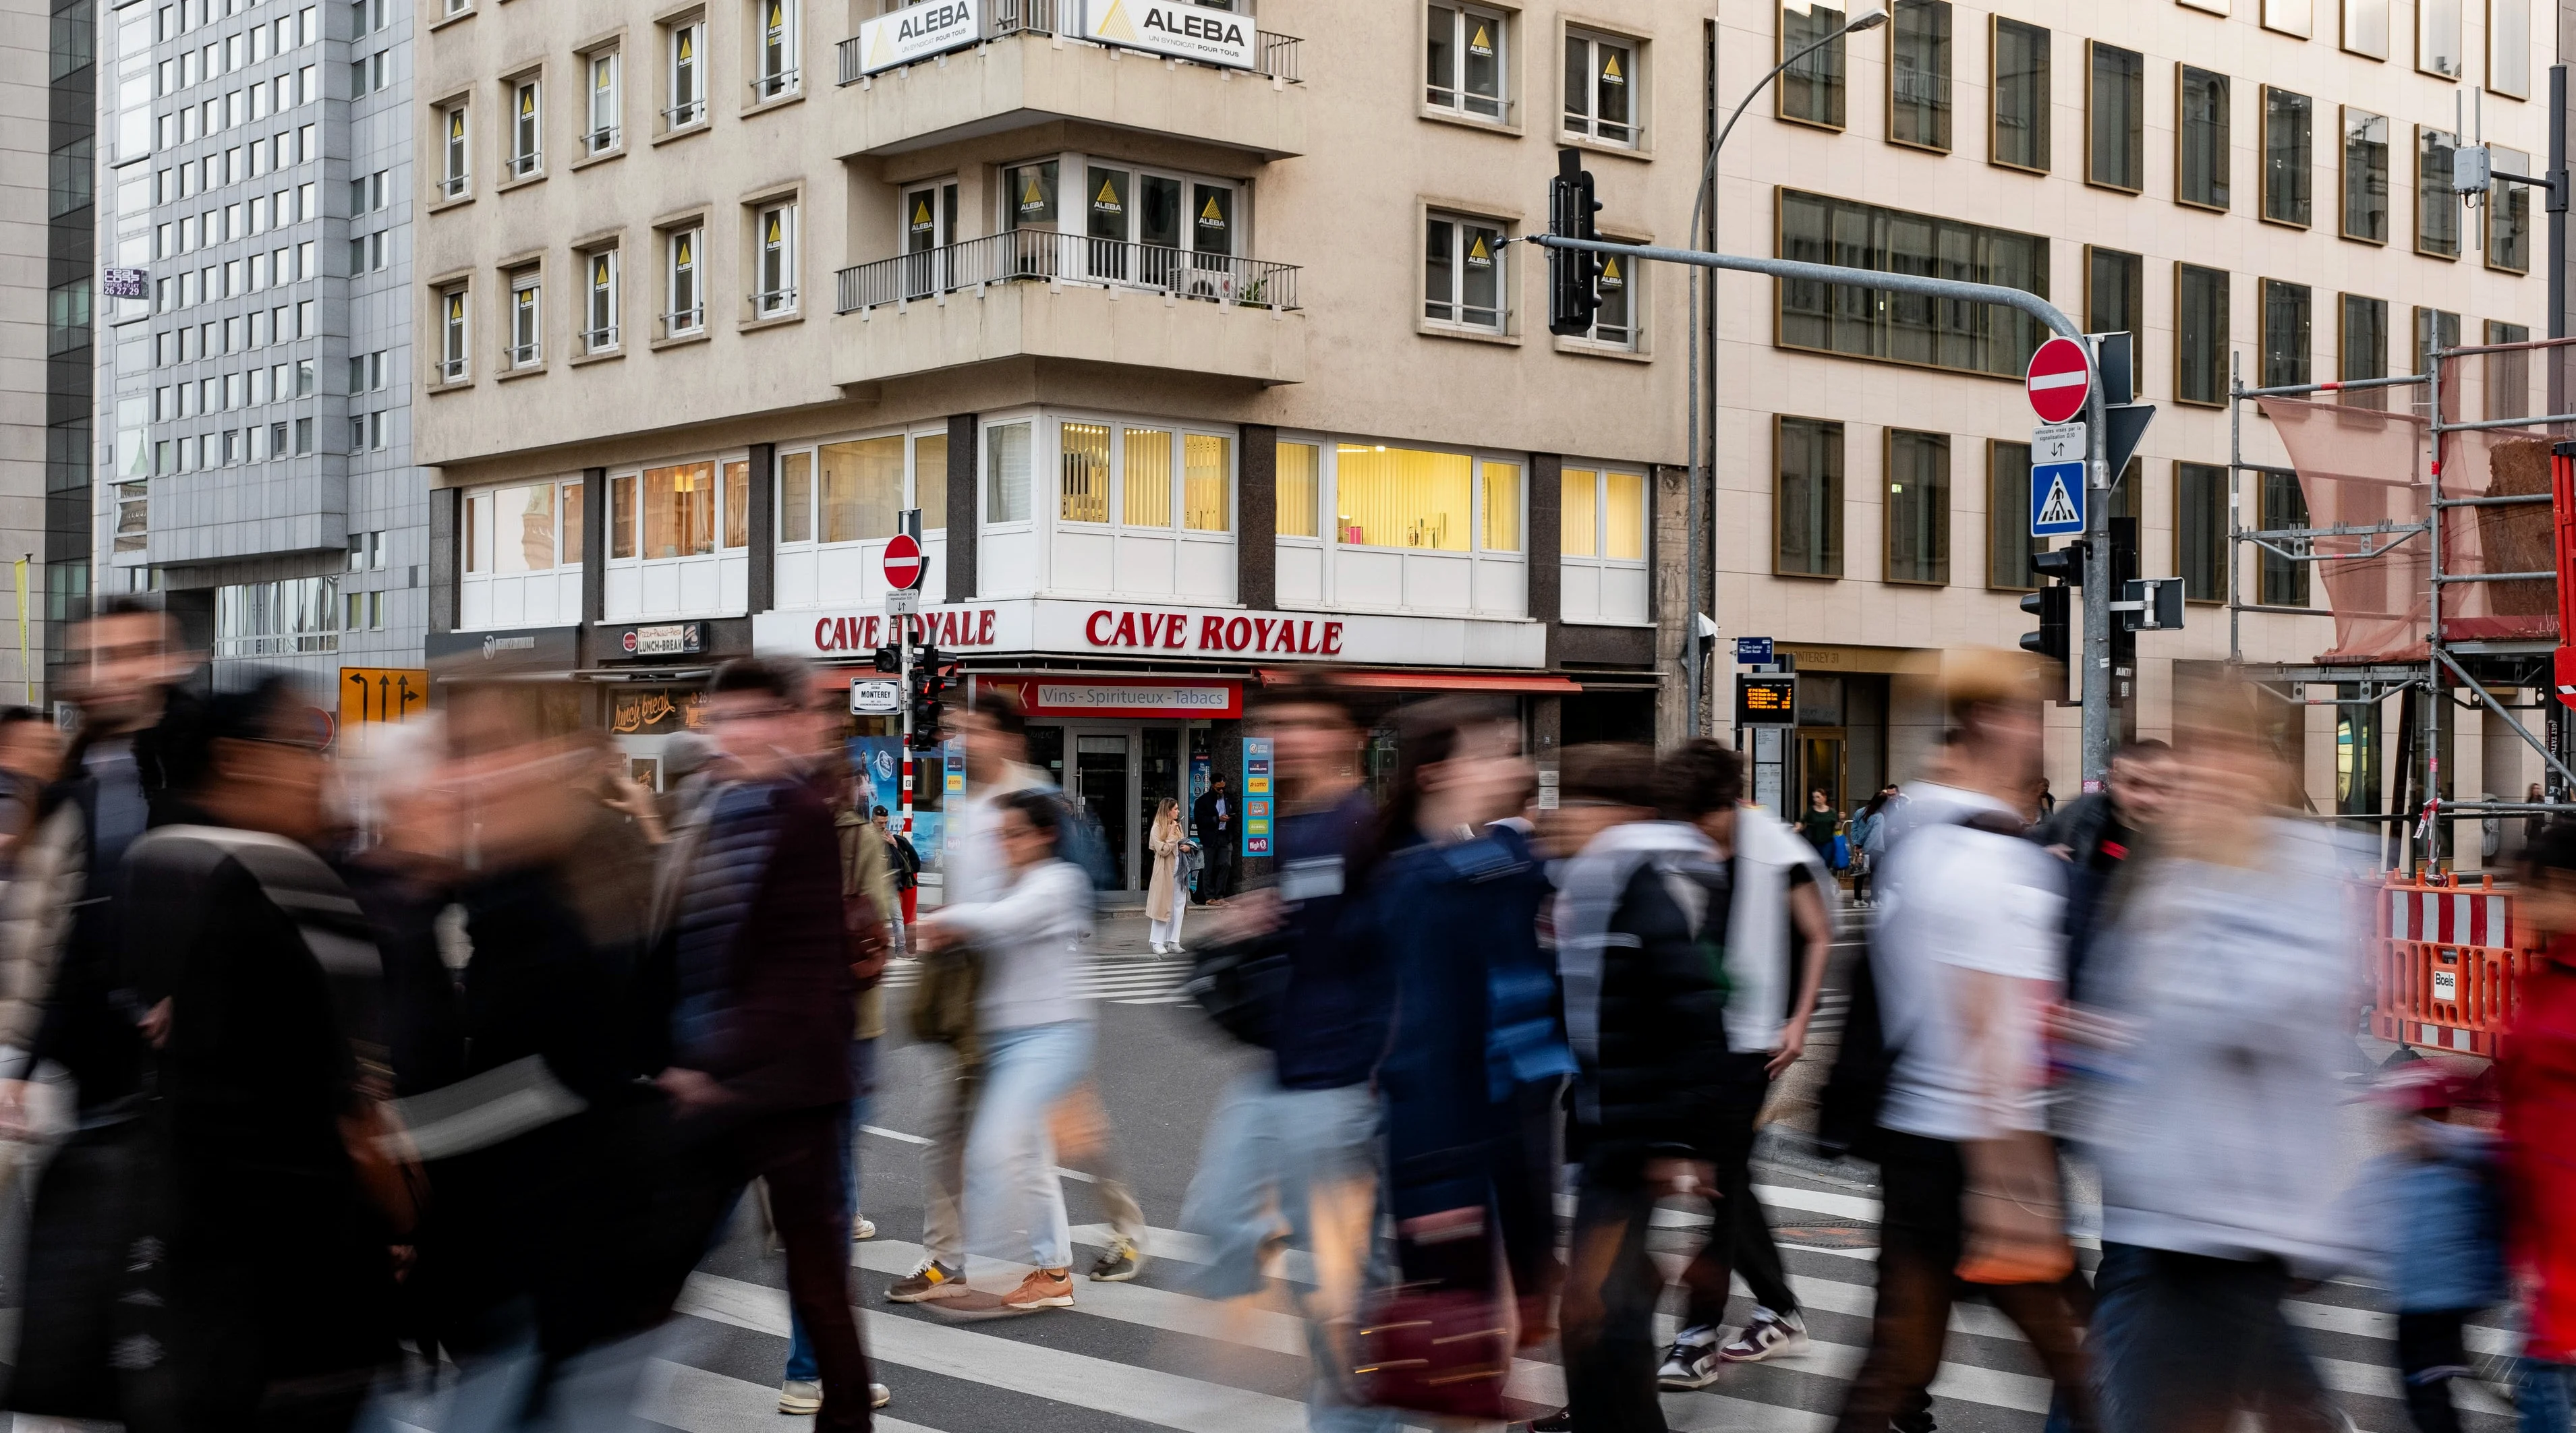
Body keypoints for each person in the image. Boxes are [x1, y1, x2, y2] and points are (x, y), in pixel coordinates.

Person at [2061, 672, 2364, 1433]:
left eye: (2224, 749)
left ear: (2265, 764)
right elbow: (2135, 1007)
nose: (2206, 772)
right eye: (2199, 750)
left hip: (2252, 1214)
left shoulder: (2301, 867)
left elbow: (2272, 1008)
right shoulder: (2168, 872)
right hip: (2166, 1206)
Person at [121, 675, 407, 1430]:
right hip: (299, 1297)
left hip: (214, 1290)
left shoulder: (164, 864)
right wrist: (405, 1217)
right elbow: (355, 1109)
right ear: (240, 760)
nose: (322, 767)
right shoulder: (297, 888)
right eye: (304, 748)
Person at [1833, 649, 2094, 1433]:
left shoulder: (1923, 848)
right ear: (1993, 726)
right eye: (2024, 715)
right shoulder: (1999, 865)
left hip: (1918, 1139)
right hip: (1984, 1145)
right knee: (2083, 1352)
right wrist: (2012, 1188)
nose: (2035, 731)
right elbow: (1988, 1030)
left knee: (1899, 1357)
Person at [648, 656, 882, 1428]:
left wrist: (711, 1064)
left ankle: (843, 1411)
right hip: (712, 1080)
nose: (736, 733)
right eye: (721, 718)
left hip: (789, 1089)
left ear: (784, 725)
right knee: (660, 1256)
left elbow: (799, 969)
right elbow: (680, 944)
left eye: (751, 716)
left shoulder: (803, 816)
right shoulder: (706, 809)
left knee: (815, 1282)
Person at [1176, 672, 1399, 1433]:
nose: (1293, 736)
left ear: (1350, 738)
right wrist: (1259, 920)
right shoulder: (1299, 827)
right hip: (1279, 1067)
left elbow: (1398, 953)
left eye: (1312, 722)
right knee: (1215, 1217)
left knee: (1343, 1286)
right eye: (1283, 722)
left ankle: (1360, 1419)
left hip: (1344, 1079)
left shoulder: (1365, 831)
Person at [0, 600, 198, 1426]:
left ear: (170, 660)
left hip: (196, 1090)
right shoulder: (76, 781)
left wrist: (200, 986)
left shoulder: (201, 759)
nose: (111, 672)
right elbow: (56, 933)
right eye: (95, 656)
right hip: (103, 1090)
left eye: (131, 653)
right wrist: (20, 1061)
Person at [1361, 699, 1572, 1359]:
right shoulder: (1428, 880)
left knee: (1472, 1363)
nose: (1514, 768)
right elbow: (1427, 1044)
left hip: (1491, 1139)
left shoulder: (1488, 864)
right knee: (1459, 1364)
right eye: (1490, 754)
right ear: (1435, 775)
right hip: (1442, 1154)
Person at [1549, 742, 1733, 1433]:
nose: (1559, 816)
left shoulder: (1639, 884)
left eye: (1574, 802)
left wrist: (1677, 1141)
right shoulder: (1603, 880)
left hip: (1633, 1135)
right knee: (1607, 1304)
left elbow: (1692, 1011)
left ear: (1619, 812)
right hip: (1614, 1127)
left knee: (1596, 1308)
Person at [1657, 739, 1832, 1387]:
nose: (1696, 827)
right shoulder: (1684, 847)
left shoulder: (1776, 851)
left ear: (1727, 802)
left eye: (1703, 815)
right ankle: (1780, 1309)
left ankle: (1697, 1332)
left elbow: (1817, 934)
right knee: (1728, 1178)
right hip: (1699, 1034)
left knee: (1722, 1178)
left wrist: (1799, 1018)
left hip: (1755, 1038)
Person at [916, 789, 1097, 1311]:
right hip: (1006, 1041)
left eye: (1014, 833)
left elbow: (1010, 919)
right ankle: (1053, 1271)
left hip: (1051, 1037)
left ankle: (988, 1274)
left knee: (992, 1148)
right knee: (1030, 1156)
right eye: (999, 835)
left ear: (1045, 835)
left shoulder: (1058, 882)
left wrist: (948, 919)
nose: (1005, 843)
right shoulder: (1005, 883)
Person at [2349, 1063, 2507, 1433]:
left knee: (2427, 1395)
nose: (2385, 1129)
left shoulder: (2459, 1165)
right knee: (2429, 1390)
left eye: (2394, 1118)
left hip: (2429, 1306)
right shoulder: (2449, 1166)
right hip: (2442, 1300)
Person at [2500, 819, 2576, 1433]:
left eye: (2526, 888)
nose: (2520, 904)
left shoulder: (2560, 997)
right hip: (2548, 1272)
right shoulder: (2549, 978)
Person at [2035, 738, 2176, 1002]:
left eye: (2163, 789)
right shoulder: (2085, 815)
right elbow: (2034, 845)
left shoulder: (2189, 839)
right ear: (2115, 777)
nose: (2148, 799)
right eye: (2135, 784)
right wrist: (2042, 857)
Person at [1147, 796, 1187, 953]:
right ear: (1168, 811)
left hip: (1180, 869)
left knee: (1178, 905)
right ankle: (1157, 942)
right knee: (1162, 906)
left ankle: (1174, 940)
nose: (1178, 811)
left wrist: (1187, 847)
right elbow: (1162, 850)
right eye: (1175, 809)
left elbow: (1181, 842)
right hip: (1164, 871)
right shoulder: (1157, 827)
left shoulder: (1176, 826)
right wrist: (1171, 836)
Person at [878, 806, 921, 943]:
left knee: (897, 917)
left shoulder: (892, 838)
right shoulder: (868, 836)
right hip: (873, 883)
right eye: (880, 823)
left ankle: (901, 948)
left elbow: (902, 859)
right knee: (875, 918)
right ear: (873, 820)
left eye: (885, 822)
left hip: (889, 882)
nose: (883, 826)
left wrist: (894, 844)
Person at [1193, 773, 1237, 903]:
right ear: (1213, 786)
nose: (1222, 790)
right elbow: (1200, 820)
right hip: (1211, 837)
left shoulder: (1229, 798)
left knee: (1226, 864)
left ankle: (1220, 895)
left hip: (1225, 836)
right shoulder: (1203, 801)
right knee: (1210, 866)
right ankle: (1209, 896)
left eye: (1224, 787)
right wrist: (1217, 819)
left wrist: (1231, 820)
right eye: (1219, 788)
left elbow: (1236, 814)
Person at [1798, 788, 1837, 860]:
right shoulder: (1811, 811)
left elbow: (1837, 828)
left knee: (1825, 864)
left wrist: (1841, 820)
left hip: (1827, 843)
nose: (1816, 800)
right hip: (1814, 843)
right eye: (1814, 797)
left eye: (1818, 797)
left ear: (1824, 798)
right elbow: (1802, 821)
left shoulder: (1832, 812)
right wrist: (1798, 827)